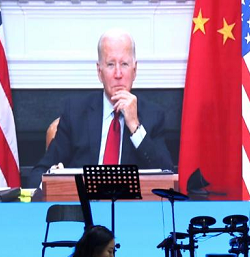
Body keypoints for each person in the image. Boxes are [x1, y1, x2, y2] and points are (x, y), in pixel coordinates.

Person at [27, 29, 174, 187]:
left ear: (134, 70)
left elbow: (167, 178)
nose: (118, 74)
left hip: (129, 202)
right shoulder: (75, 113)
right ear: (99, 72)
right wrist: (53, 181)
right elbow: (37, 175)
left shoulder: (153, 115)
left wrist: (134, 126)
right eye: (110, 64)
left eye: (124, 64)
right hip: (84, 201)